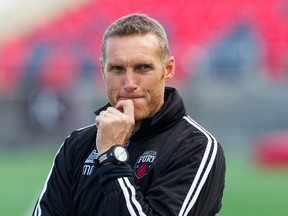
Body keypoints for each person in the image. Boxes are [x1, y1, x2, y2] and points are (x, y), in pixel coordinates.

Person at [33, 13, 225, 216]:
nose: (129, 83)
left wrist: (111, 157)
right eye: (117, 69)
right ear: (102, 70)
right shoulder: (77, 145)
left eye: (143, 67)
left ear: (167, 69)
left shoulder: (195, 147)